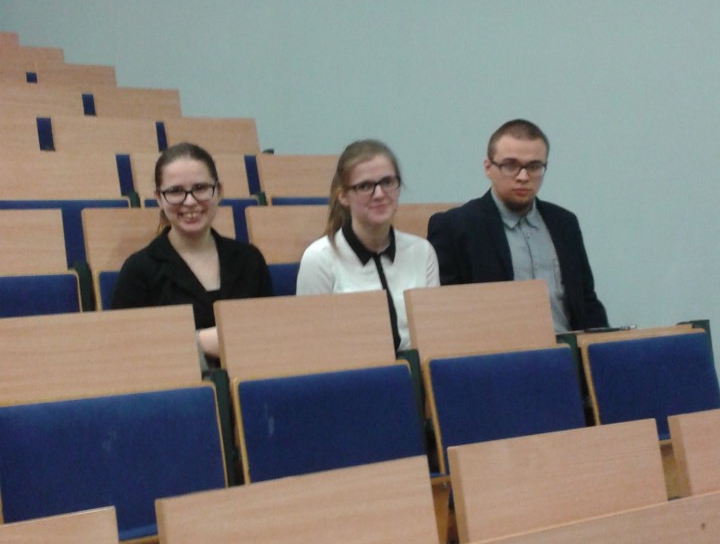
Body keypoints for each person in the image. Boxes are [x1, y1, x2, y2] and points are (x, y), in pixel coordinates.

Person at [427, 119, 607, 332]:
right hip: (497, 350)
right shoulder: (455, 227)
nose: (523, 177)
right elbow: (446, 315)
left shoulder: (564, 223)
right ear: (488, 168)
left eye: (534, 167)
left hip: (568, 347)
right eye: (510, 165)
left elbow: (586, 302)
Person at [111, 142, 272, 363]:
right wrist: (199, 343)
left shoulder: (250, 260)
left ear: (219, 191)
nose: (190, 201)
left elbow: (269, 335)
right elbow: (126, 351)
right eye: (175, 191)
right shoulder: (138, 271)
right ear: (158, 198)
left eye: (200, 188)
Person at [296, 138, 439, 350]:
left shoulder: (422, 251)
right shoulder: (319, 258)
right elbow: (312, 345)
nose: (379, 194)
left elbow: (433, 336)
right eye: (365, 186)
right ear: (343, 196)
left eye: (388, 182)